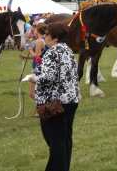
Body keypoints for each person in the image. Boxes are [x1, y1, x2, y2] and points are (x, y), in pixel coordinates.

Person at [28, 23, 79, 170]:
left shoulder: (52, 52)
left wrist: (33, 78)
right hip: (71, 100)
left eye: (47, 34)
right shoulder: (68, 50)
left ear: (55, 37)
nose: (45, 36)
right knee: (65, 137)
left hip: (55, 102)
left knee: (55, 139)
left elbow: (47, 77)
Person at [19, 23, 47, 117]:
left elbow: (37, 55)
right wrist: (25, 56)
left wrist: (30, 50)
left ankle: (43, 107)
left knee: (32, 93)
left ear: (37, 30)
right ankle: (40, 111)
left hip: (37, 68)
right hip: (41, 66)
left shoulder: (39, 41)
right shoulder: (45, 40)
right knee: (38, 91)